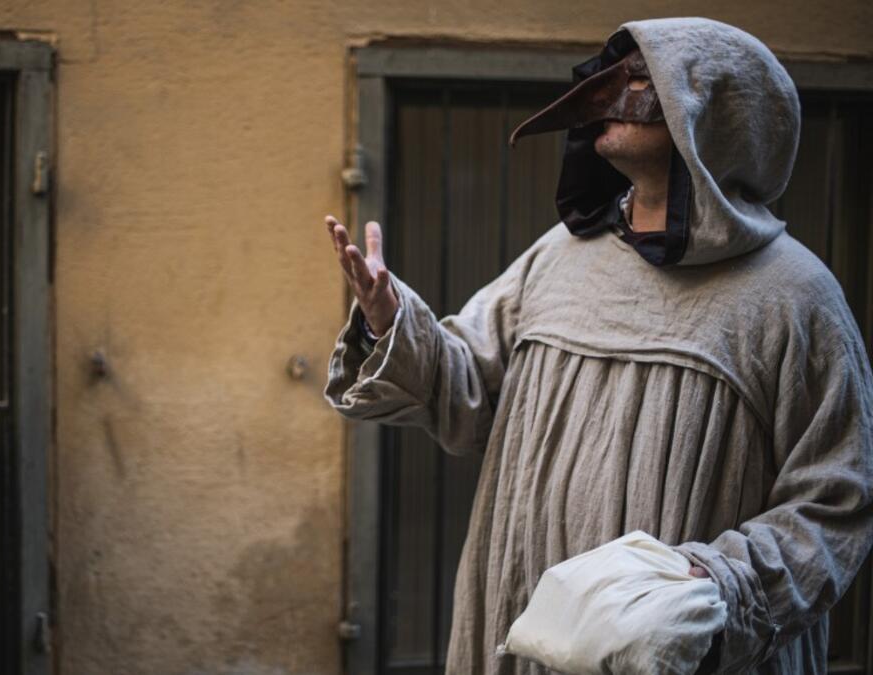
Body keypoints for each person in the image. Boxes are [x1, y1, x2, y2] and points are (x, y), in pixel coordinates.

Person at [325, 17, 873, 674]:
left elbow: (836, 502)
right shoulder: (558, 257)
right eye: (611, 74)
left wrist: (714, 584)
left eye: (640, 79)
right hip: (523, 634)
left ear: (716, 113)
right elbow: (465, 390)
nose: (609, 91)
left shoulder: (794, 296)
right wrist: (391, 321)